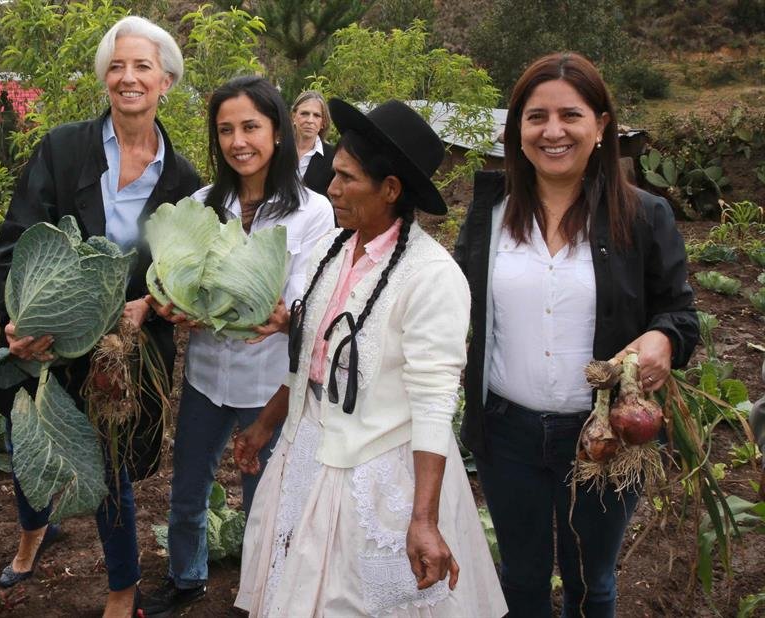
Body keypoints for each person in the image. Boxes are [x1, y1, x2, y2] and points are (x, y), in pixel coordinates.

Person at [232, 98, 507, 617]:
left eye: (346, 178)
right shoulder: (330, 252)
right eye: (333, 173)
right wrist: (267, 424)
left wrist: (422, 519)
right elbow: (314, 358)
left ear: (391, 190)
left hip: (381, 473)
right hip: (309, 450)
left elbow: (432, 403)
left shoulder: (432, 277)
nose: (330, 188)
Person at [454, 52, 699, 618]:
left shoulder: (642, 216)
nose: (553, 131)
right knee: (521, 580)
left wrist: (664, 339)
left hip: (603, 441)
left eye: (571, 115)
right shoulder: (490, 215)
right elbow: (452, 306)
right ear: (518, 129)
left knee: (593, 585)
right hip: (506, 433)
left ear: (602, 125)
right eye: (536, 116)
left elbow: (680, 315)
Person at [0, 15, 201, 618]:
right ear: (104, 79)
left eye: (142, 67)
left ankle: (121, 587)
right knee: (22, 429)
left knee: (111, 469)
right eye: (116, 66)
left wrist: (150, 308)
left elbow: (180, 282)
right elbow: (15, 240)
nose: (128, 77)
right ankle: (34, 532)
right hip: (46, 338)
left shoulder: (183, 181)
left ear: (166, 82)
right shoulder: (63, 148)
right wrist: (16, 318)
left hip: (122, 353)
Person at [140, 76, 334, 618]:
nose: (238, 141)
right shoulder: (202, 203)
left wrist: (284, 313)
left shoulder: (313, 211)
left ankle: (263, 595)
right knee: (187, 489)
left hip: (269, 381)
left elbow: (305, 295)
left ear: (277, 130)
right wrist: (170, 302)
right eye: (225, 130)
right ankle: (186, 579)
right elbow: (176, 274)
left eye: (250, 126)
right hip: (206, 373)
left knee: (264, 499)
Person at [291, 90, 334, 197]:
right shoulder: (277, 151)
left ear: (323, 122)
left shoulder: (334, 157)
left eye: (316, 115)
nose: (310, 120)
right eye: (304, 113)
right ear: (293, 116)